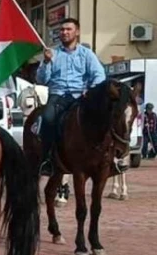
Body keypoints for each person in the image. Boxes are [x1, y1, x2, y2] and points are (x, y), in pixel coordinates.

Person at [35, 17, 107, 177]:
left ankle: (109, 157)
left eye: (69, 29)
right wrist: (46, 63)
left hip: (80, 96)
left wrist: (91, 89)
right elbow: (41, 79)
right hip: (58, 96)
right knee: (47, 118)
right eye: (62, 30)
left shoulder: (87, 54)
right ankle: (47, 159)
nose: (65, 32)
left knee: (104, 118)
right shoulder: (52, 53)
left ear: (77, 32)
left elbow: (99, 75)